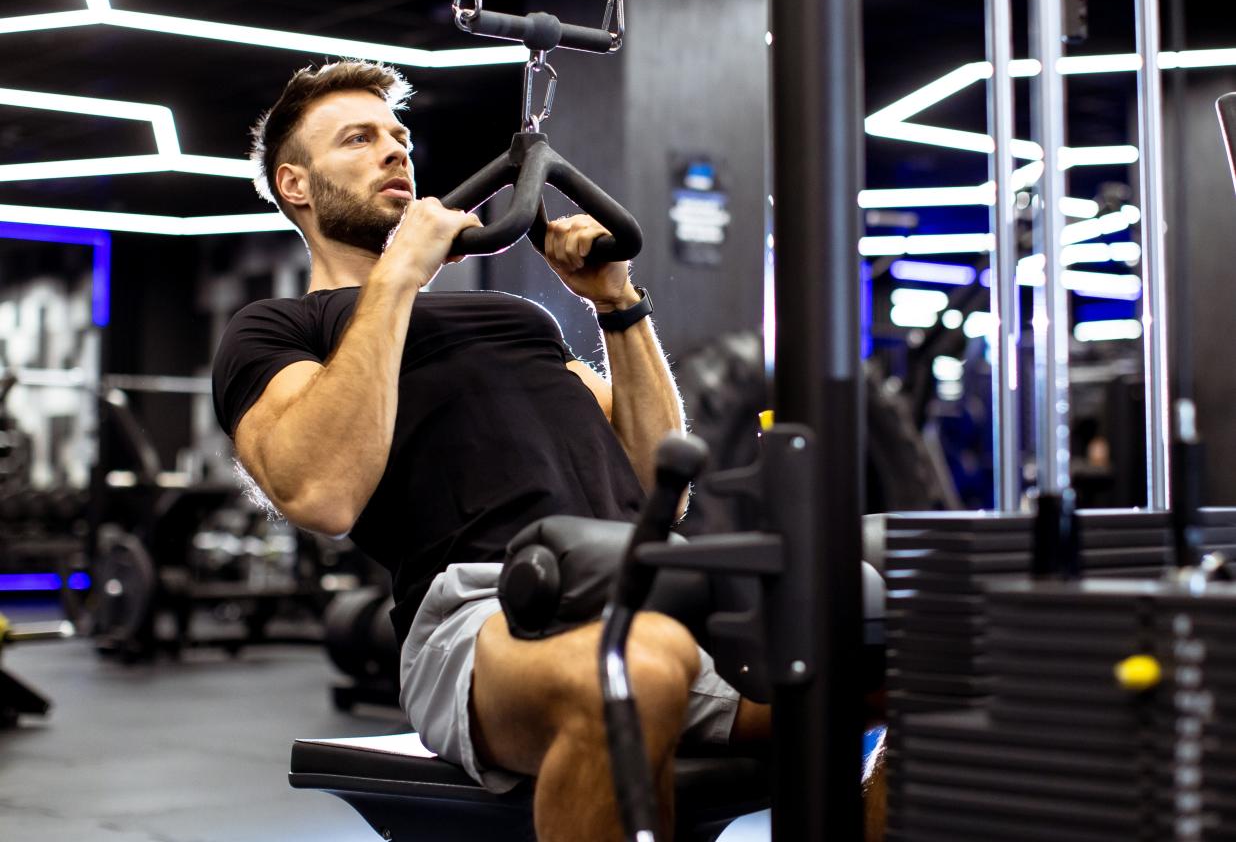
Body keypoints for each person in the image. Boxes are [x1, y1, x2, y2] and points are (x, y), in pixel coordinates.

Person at [211, 59, 885, 841]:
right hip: (487, 613)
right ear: (296, 185)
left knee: (920, 665)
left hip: (651, 591)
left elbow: (655, 468)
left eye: (398, 135)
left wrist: (615, 304)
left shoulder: (516, 316)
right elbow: (322, 492)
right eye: (358, 140)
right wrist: (396, 275)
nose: (395, 151)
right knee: (635, 665)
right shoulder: (280, 329)